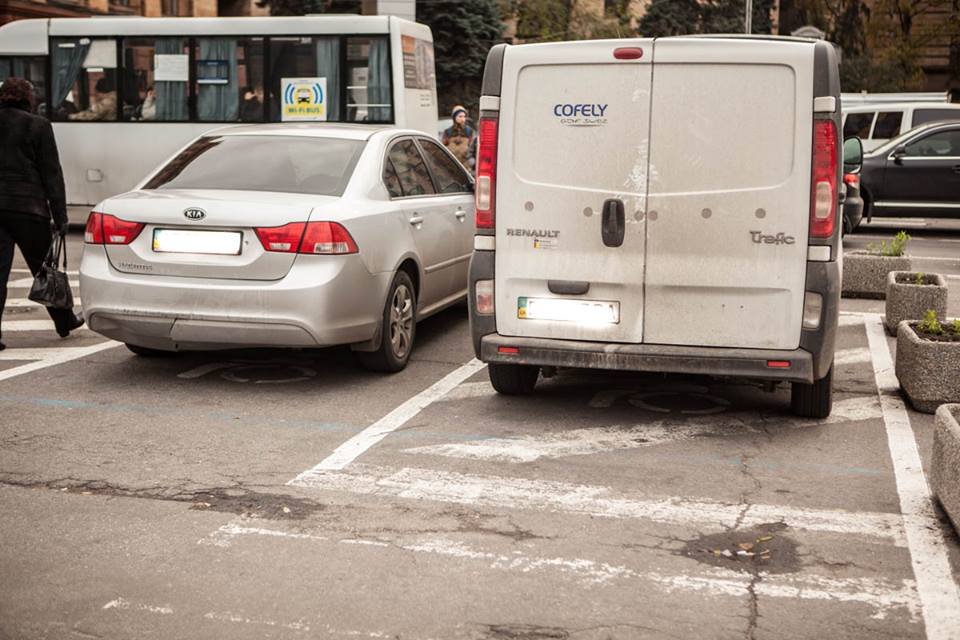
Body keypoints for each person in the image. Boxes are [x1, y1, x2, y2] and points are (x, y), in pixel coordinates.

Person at [0, 78, 84, 350]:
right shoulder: (38, 125)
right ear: (28, 98)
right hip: (28, 208)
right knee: (45, 270)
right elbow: (51, 173)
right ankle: (65, 321)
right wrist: (60, 216)